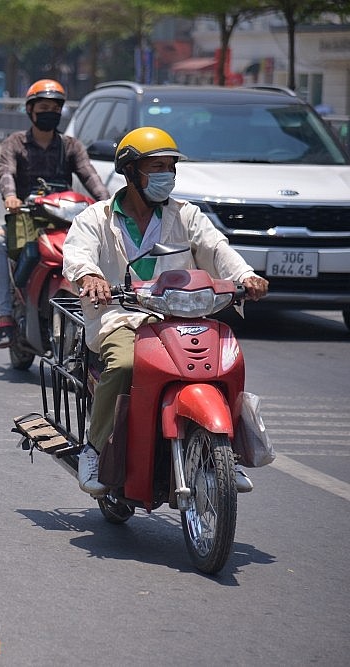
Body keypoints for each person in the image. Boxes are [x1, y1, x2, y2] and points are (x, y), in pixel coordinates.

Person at [63, 126, 269, 497]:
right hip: (120, 316)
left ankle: (230, 452)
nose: (166, 176)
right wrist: (90, 275)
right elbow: (78, 254)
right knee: (126, 365)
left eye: (170, 168)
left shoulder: (186, 215)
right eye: (155, 167)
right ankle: (93, 450)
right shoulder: (94, 218)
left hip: (181, 316)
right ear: (130, 172)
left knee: (227, 363)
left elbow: (216, 249)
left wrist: (245, 275)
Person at [0, 79, 109, 348]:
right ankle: (4, 316)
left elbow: (90, 176)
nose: (49, 112)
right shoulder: (15, 143)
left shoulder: (71, 146)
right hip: (26, 218)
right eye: (43, 107)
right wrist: (11, 196)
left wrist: (108, 203)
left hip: (65, 218)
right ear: (30, 111)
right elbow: (6, 172)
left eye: (55, 108)